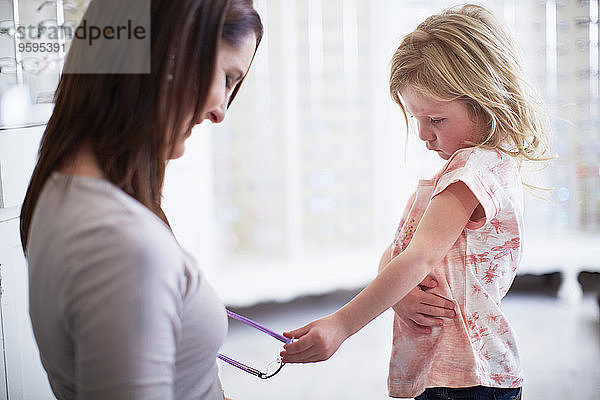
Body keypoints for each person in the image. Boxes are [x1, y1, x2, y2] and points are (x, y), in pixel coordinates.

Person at [281, 4, 550, 400]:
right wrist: (401, 294)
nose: (424, 134)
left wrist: (341, 324)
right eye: (416, 118)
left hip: (466, 379)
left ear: (486, 98)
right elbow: (400, 249)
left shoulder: (472, 171)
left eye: (436, 120)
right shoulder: (466, 167)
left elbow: (419, 258)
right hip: (443, 371)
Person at [19, 0, 262, 399]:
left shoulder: (60, 190)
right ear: (169, 53)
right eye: (228, 77)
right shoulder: (121, 244)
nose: (221, 111)